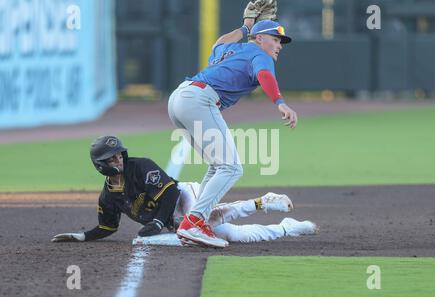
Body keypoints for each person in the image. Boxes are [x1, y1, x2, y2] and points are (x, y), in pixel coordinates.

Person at [167, 1, 298, 247]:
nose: (279, 46)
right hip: (199, 100)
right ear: (259, 39)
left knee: (218, 166)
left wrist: (245, 26)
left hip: (178, 99)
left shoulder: (232, 50)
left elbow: (217, 43)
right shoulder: (260, 54)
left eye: (281, 42)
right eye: (276, 39)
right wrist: (279, 102)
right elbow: (265, 76)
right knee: (231, 167)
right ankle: (194, 223)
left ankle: (195, 221)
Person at [51, 136, 318, 246]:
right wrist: (81, 236)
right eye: (111, 159)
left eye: (119, 155)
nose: (118, 160)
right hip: (172, 219)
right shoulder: (108, 197)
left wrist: (156, 221)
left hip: (183, 197)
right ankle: (282, 223)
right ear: (101, 166)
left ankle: (265, 206)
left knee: (213, 224)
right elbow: (108, 227)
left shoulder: (140, 166)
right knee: (232, 235)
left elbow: (169, 194)